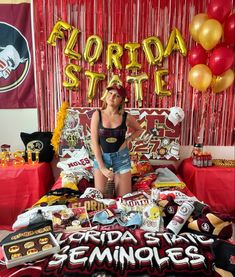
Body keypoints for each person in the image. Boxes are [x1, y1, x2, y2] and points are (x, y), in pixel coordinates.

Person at [90, 84, 143, 197]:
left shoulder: (126, 117)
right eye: (110, 93)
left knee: (124, 199)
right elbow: (94, 143)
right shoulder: (97, 114)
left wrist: (129, 139)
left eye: (117, 95)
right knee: (101, 198)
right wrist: (103, 168)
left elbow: (139, 129)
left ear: (121, 101)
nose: (112, 97)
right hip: (102, 158)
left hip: (121, 159)